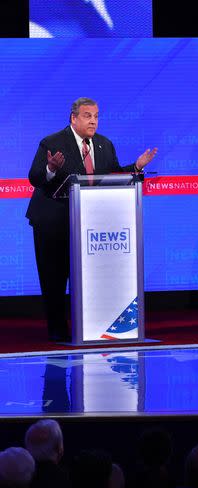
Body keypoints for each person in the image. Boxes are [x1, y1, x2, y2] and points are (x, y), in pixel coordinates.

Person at [27, 97, 158, 342]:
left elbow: (111, 175)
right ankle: (57, 329)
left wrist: (136, 167)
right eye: (88, 116)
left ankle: (90, 324)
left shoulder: (103, 144)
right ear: (73, 118)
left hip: (90, 224)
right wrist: (51, 169)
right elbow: (35, 177)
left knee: (90, 278)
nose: (93, 121)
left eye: (96, 116)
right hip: (53, 222)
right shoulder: (52, 142)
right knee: (54, 278)